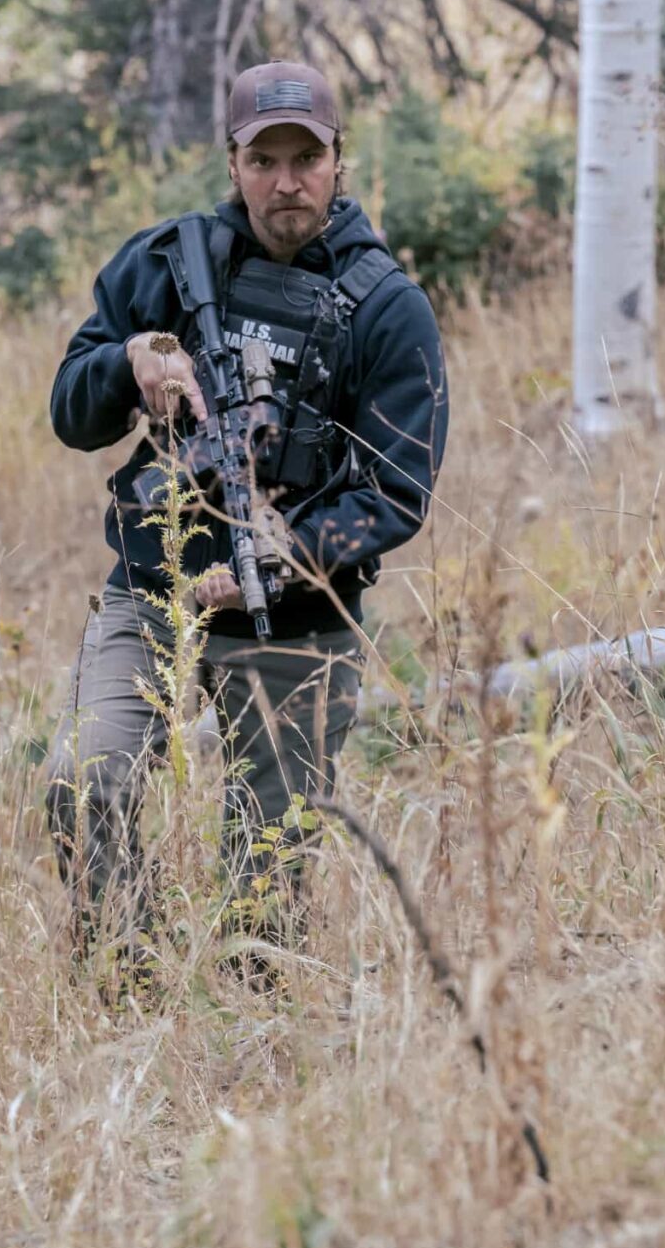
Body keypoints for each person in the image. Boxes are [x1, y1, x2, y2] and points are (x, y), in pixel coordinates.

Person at [44, 59, 447, 986]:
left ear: (339, 159)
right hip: (155, 588)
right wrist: (130, 362)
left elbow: (396, 493)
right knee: (81, 779)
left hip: (295, 619)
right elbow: (70, 410)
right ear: (233, 162)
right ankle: (127, 987)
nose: (287, 180)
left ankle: (249, 1041)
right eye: (264, 158)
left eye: (306, 156)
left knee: (265, 891)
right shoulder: (165, 262)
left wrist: (282, 556)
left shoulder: (386, 306)